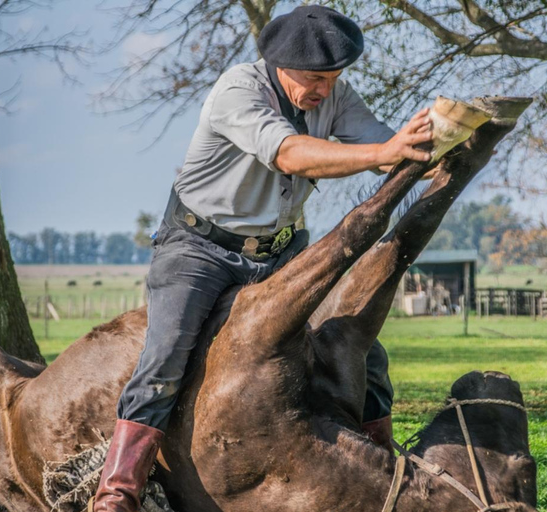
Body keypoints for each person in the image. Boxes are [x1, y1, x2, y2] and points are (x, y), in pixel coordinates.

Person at [92, 5, 433, 511]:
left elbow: (384, 143)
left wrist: (434, 144)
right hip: (199, 248)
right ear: (279, 65)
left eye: (334, 78)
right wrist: (387, 155)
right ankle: (118, 491)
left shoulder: (334, 95)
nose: (324, 89)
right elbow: (290, 153)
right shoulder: (238, 90)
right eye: (314, 78)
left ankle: (382, 466)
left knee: (361, 345)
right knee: (166, 357)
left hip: (283, 247)